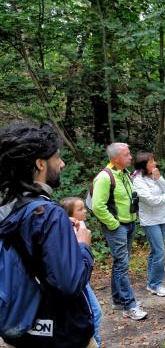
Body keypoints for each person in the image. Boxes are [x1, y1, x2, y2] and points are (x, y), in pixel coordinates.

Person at [0, 121, 97, 347]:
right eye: (58, 158)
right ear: (40, 163)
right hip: (60, 332)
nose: (62, 164)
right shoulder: (48, 214)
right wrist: (83, 246)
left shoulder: (8, 205)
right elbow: (69, 284)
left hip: (16, 327)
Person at [92, 142, 147, 320]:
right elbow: (97, 206)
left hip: (129, 224)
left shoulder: (124, 174)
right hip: (118, 227)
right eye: (127, 154)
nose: (131, 157)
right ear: (116, 159)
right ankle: (129, 305)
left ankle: (117, 300)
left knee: (120, 263)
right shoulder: (104, 177)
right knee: (122, 265)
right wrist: (114, 224)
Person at [59, 197, 103, 347]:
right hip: (77, 280)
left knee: (96, 313)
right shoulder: (70, 232)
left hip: (81, 279)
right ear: (69, 214)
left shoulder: (79, 229)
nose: (85, 211)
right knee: (95, 314)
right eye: (80, 209)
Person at [132, 152, 165, 297]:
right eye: (151, 162)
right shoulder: (138, 180)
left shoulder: (155, 177)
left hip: (162, 218)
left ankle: (151, 283)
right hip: (149, 221)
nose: (155, 164)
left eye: (154, 161)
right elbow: (151, 200)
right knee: (159, 252)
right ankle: (156, 284)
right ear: (144, 165)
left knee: (155, 251)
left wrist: (160, 178)